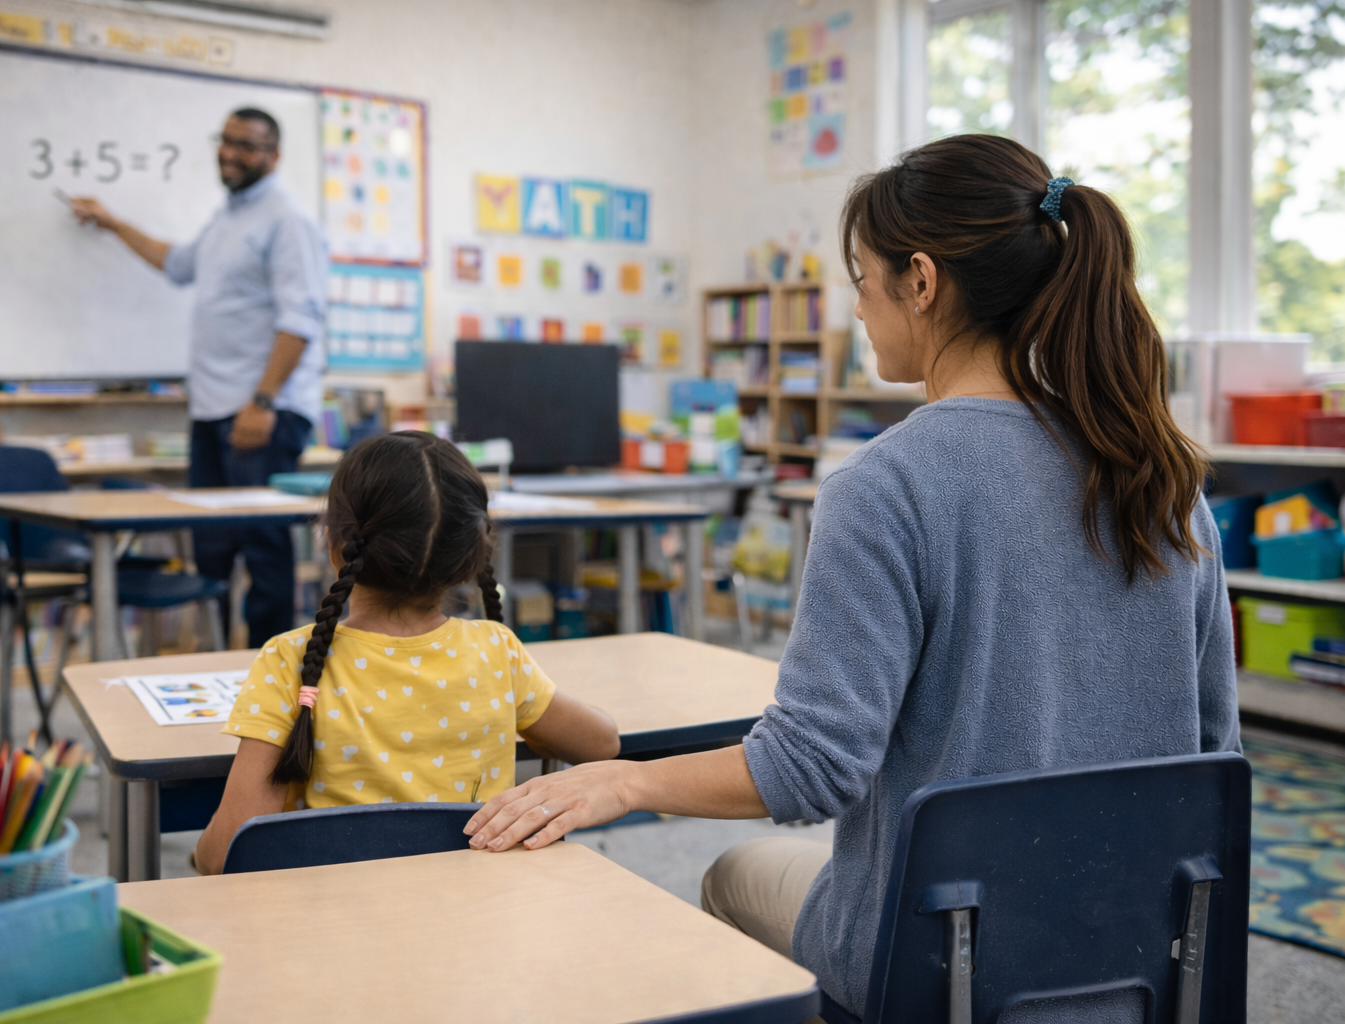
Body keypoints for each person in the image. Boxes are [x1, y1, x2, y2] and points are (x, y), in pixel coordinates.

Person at [460, 134, 1239, 1016]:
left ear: (921, 279)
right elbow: (1216, 758)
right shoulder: (1163, 482)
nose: (858, 309)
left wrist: (622, 781)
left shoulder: (887, 485)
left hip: (949, 964)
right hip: (1141, 954)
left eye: (862, 278)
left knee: (730, 878)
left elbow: (811, 769)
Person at [193, 431, 621, 874]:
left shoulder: (290, 660)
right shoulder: (495, 651)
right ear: (472, 554)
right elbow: (602, 742)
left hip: (336, 923)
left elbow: (226, 855)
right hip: (486, 918)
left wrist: (198, 851)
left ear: (334, 541)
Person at [67, 107, 326, 645]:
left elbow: (301, 318)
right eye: (226, 140)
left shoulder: (286, 218)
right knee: (212, 551)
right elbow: (175, 262)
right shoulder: (226, 218)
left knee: (264, 552)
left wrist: (263, 401)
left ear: (273, 156)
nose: (231, 152)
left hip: (259, 410)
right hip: (213, 409)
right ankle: (217, 672)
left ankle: (274, 682)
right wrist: (112, 222)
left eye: (248, 145)